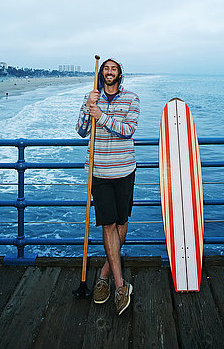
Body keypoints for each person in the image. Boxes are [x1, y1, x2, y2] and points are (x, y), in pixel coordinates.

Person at [76, 58, 140, 315]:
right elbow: (81, 131)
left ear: (120, 73)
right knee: (108, 224)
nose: (109, 72)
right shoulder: (90, 97)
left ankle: (103, 274)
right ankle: (120, 286)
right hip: (99, 171)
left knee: (121, 223)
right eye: (106, 68)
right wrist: (88, 109)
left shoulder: (132, 99)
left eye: (114, 68)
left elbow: (128, 130)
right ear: (102, 73)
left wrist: (101, 116)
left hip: (125, 170)